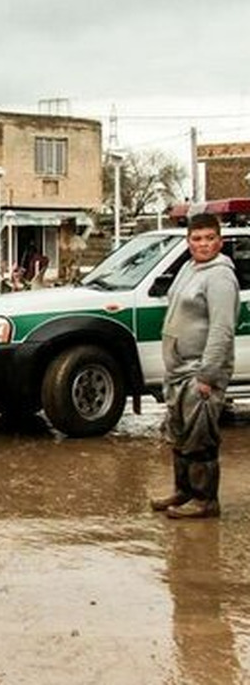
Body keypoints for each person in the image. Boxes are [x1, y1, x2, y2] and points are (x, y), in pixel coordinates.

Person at [151, 213, 238, 520]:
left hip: (199, 370)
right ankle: (184, 490)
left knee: (200, 437)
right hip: (178, 369)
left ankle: (205, 501)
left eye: (209, 238)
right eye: (197, 239)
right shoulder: (190, 268)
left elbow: (222, 329)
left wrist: (208, 374)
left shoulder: (220, 277)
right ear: (188, 242)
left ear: (220, 241)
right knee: (181, 433)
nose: (203, 244)